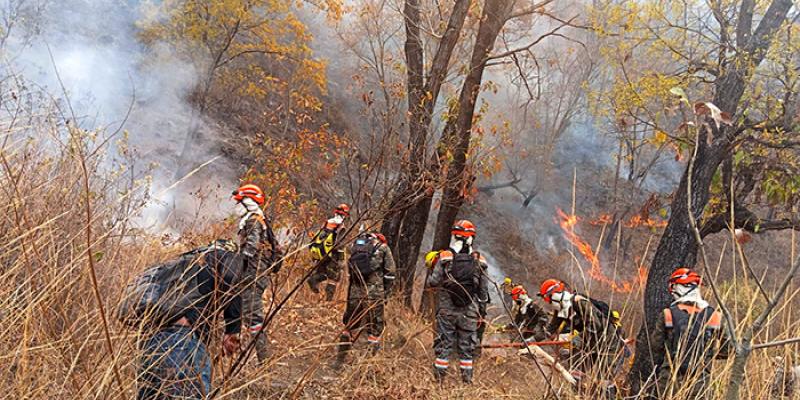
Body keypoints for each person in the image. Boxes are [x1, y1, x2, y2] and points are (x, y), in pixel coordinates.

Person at [130, 243, 243, 400]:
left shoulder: (175, 268)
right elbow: (232, 279)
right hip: (182, 345)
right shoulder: (223, 256)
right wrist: (232, 329)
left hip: (149, 347)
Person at [538, 279, 629, 395]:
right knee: (576, 369)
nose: (547, 302)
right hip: (590, 343)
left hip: (607, 343)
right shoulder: (561, 309)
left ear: (553, 294)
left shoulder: (579, 302)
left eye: (546, 298)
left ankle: (609, 395)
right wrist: (531, 341)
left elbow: (595, 325)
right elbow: (550, 329)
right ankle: (578, 395)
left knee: (605, 378)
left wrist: (576, 339)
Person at [427, 219, 489, 384]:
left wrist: (434, 268)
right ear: (471, 238)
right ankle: (466, 385)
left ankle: (439, 384)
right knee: (467, 349)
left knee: (444, 346)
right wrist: (481, 313)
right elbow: (483, 292)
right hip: (470, 312)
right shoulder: (480, 261)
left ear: (454, 236)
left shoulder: (445, 256)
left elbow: (432, 282)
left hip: (446, 311)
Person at [652, 267, 729, 399]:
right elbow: (728, 350)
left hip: (670, 382)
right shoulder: (715, 316)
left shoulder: (668, 314)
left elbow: (656, 346)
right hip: (700, 382)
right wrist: (708, 355)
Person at [233, 184, 282, 363]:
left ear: (248, 202)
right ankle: (255, 355)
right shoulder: (258, 219)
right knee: (248, 312)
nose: (236, 206)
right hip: (255, 273)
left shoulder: (253, 221)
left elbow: (251, 247)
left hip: (253, 274)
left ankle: (264, 360)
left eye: (239, 202)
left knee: (253, 314)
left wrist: (237, 263)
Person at [333, 231, 396, 368]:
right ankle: (367, 365)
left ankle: (339, 361)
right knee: (374, 329)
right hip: (374, 295)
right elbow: (390, 274)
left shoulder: (356, 246)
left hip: (355, 293)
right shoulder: (383, 248)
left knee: (349, 325)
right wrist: (386, 294)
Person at [308, 204, 350, 301]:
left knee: (322, 272)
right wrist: (341, 259)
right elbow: (340, 245)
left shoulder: (327, 222)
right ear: (345, 215)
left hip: (322, 253)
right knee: (333, 278)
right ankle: (328, 300)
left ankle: (313, 279)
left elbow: (316, 237)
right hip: (333, 255)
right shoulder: (341, 226)